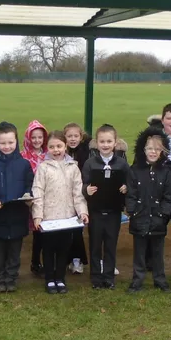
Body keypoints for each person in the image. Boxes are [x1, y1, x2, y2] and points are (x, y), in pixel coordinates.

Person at [32, 131, 89, 294]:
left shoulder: (73, 167)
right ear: (47, 148)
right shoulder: (43, 167)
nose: (56, 150)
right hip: (49, 218)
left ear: (65, 146)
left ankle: (60, 278)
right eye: (52, 147)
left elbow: (78, 193)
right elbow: (38, 191)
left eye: (59, 146)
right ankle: (50, 279)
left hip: (67, 217)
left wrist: (82, 212)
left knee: (64, 249)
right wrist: (38, 215)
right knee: (49, 250)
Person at [0, 122, 34, 293]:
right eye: (3, 143)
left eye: (10, 142)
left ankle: (11, 277)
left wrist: (28, 195)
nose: (7, 146)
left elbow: (29, 184)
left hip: (17, 214)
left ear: (16, 141)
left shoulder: (24, 164)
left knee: (14, 251)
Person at [126, 127, 171, 293]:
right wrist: (133, 212)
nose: (153, 152)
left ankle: (160, 280)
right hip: (139, 218)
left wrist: (163, 214)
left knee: (157, 253)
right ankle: (137, 281)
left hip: (158, 220)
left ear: (162, 151)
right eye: (149, 148)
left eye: (157, 149)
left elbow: (169, 196)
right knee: (139, 253)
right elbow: (131, 195)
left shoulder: (166, 172)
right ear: (143, 149)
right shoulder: (134, 170)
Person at [81, 124, 130, 290]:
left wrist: (126, 187)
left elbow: (129, 182)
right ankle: (96, 277)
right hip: (95, 211)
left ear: (115, 142)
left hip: (114, 212)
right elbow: (83, 184)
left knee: (110, 245)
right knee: (95, 245)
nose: (106, 144)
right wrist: (86, 190)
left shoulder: (122, 164)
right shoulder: (90, 163)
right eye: (102, 141)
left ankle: (109, 277)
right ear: (97, 143)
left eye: (109, 141)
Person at [21, 120, 49, 276]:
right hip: (30, 199)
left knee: (44, 231)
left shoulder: (49, 155)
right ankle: (35, 262)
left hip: (47, 198)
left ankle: (43, 261)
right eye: (33, 137)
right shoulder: (23, 156)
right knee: (35, 230)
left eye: (40, 137)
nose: (37, 140)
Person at [63, 122, 90, 275]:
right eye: (69, 136)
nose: (73, 139)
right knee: (65, 230)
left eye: (76, 136)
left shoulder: (86, 153)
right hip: (63, 197)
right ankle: (66, 259)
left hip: (79, 196)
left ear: (81, 137)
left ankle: (77, 260)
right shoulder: (60, 152)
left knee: (77, 230)